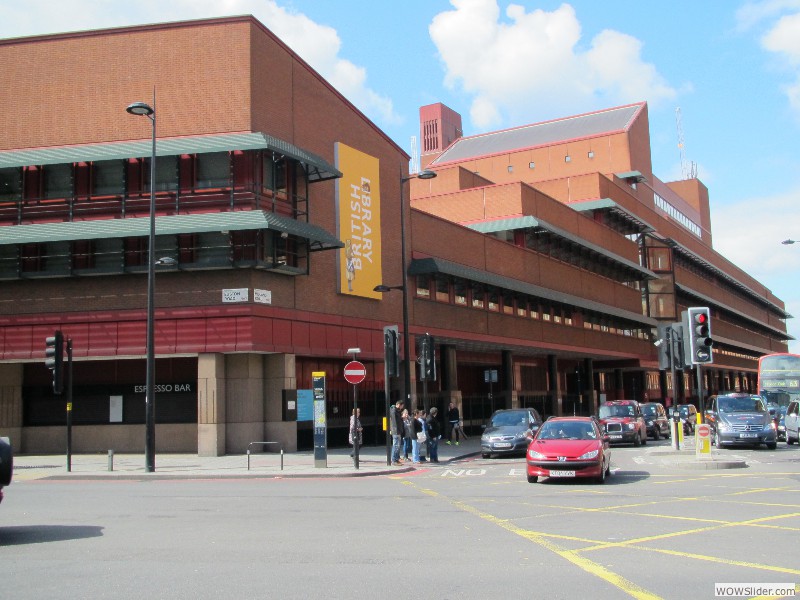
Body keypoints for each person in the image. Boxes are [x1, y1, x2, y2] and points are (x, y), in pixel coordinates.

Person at [390, 400, 405, 465]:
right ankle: (394, 460)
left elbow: (398, 420)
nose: (402, 407)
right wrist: (397, 431)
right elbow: (395, 422)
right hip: (396, 431)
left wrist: (402, 418)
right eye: (402, 406)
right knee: (395, 445)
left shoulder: (397, 411)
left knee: (398, 446)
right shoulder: (394, 411)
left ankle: (396, 459)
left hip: (398, 430)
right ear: (399, 404)